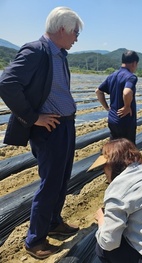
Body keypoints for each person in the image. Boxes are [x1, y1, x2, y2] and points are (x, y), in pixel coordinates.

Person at [0, 7, 84, 259]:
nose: (76, 38)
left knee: (61, 179)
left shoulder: (59, 54)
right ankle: (35, 240)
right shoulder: (36, 50)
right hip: (49, 129)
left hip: (65, 125)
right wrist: (34, 117)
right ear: (62, 30)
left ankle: (53, 222)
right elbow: (7, 84)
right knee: (50, 184)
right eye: (75, 33)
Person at [95, 50, 139, 144]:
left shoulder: (112, 76)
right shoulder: (131, 77)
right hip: (125, 121)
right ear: (134, 63)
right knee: (127, 150)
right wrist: (127, 106)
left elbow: (98, 91)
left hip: (112, 119)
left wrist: (107, 108)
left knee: (115, 148)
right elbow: (127, 92)